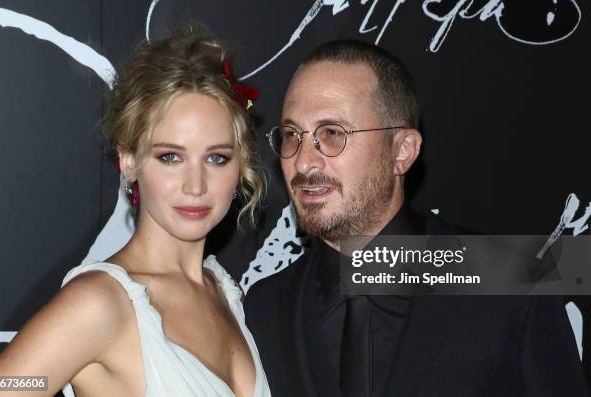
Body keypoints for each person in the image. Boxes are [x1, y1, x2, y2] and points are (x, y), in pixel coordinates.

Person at [244, 40, 588, 396]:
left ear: (402, 151)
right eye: (291, 136)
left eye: (332, 134)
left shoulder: (514, 280)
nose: (303, 162)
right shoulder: (266, 306)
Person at [0, 29, 271, 397]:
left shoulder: (224, 291)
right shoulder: (100, 303)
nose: (195, 185)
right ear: (129, 160)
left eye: (216, 158)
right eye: (170, 157)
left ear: (239, 164)